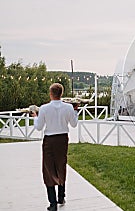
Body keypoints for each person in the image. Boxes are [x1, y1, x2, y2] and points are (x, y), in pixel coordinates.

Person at [33, 83, 78, 211]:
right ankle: (61, 197)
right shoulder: (68, 107)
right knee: (61, 166)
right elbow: (74, 124)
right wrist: (75, 111)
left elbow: (39, 127)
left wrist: (35, 117)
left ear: (51, 93)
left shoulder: (44, 108)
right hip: (63, 139)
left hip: (49, 140)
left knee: (48, 169)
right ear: (61, 93)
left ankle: (53, 204)